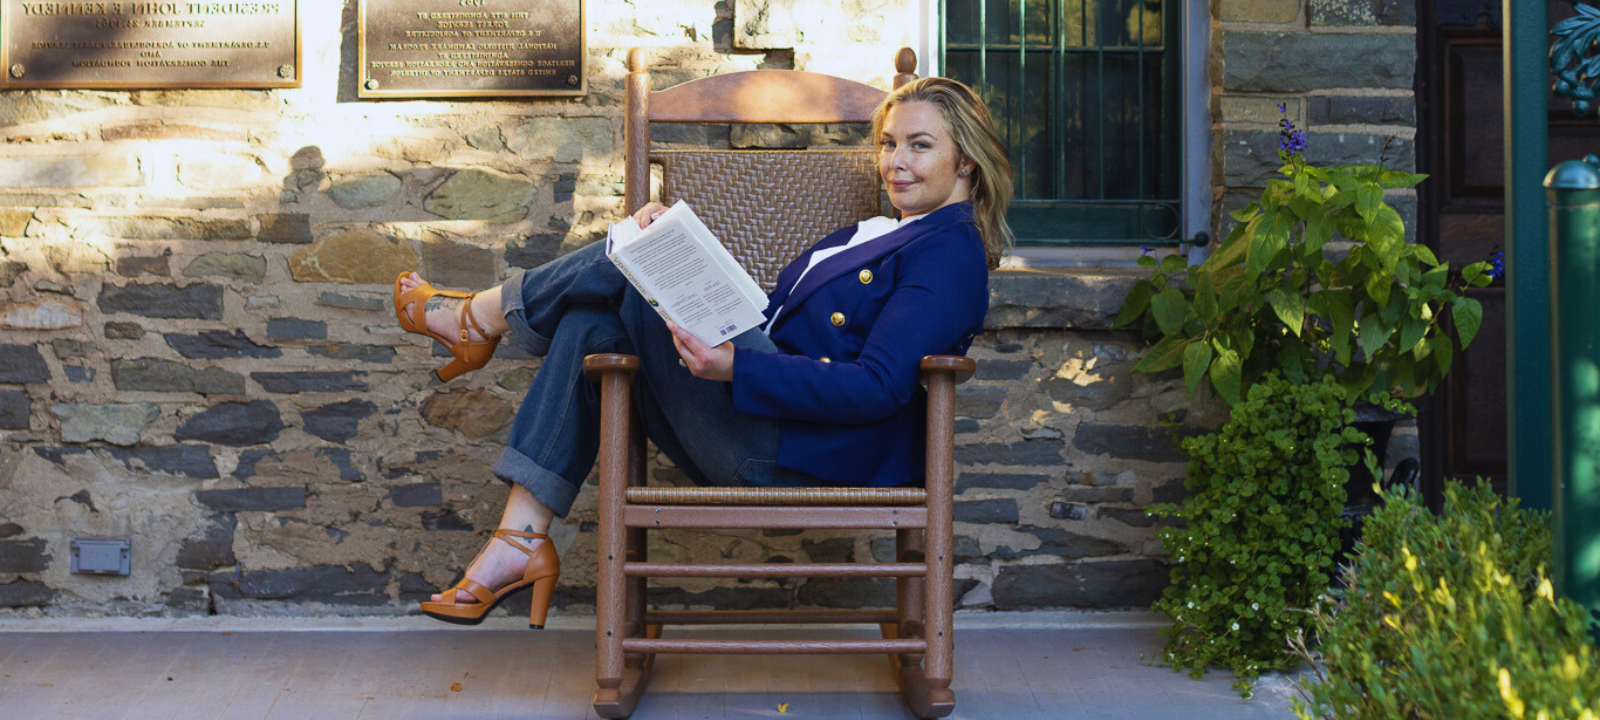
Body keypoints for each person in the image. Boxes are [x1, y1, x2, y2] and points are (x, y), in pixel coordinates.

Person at [391, 76, 1013, 627]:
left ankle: (477, 319)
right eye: (888, 143)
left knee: (638, 250)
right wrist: (693, 253)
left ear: (966, 163)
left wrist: (736, 364)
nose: (895, 161)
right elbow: (781, 319)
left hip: (796, 453)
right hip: (759, 426)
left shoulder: (949, 252)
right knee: (592, 321)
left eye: (919, 145)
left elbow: (878, 385)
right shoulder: (881, 232)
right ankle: (519, 539)